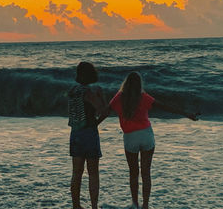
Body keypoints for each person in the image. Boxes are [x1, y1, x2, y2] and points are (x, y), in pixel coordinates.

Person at [99, 72, 198, 209]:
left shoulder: (119, 97)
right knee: (146, 172)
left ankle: (135, 204)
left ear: (126, 83)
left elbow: (106, 111)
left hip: (130, 137)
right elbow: (164, 106)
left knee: (133, 173)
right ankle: (145, 205)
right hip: (146, 135)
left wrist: (93, 125)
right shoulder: (143, 97)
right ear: (139, 84)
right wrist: (186, 114)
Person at [68, 62, 106, 209]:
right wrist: (101, 96)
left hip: (75, 133)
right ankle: (94, 206)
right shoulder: (89, 92)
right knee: (93, 173)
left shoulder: (72, 91)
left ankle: (76, 206)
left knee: (76, 173)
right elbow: (103, 110)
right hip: (89, 133)